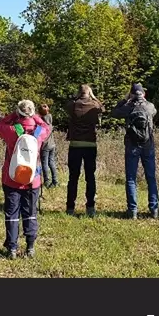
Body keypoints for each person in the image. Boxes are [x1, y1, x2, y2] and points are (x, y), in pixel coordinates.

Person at [0, 100, 50, 259]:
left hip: (12, 179)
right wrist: (36, 117)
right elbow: (47, 126)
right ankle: (30, 247)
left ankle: (12, 248)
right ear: (32, 112)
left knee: (12, 213)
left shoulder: (12, 130)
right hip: (33, 179)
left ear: (18, 112)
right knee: (30, 212)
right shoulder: (39, 131)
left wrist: (14, 115)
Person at [111, 83, 159, 219]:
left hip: (132, 145)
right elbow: (154, 112)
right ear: (143, 93)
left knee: (131, 178)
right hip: (148, 144)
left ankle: (132, 211)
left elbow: (114, 113)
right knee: (151, 177)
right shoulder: (150, 106)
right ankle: (154, 209)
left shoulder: (127, 107)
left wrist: (125, 99)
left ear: (132, 94)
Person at [64, 84, 104, 217]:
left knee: (73, 177)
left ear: (79, 93)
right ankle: (90, 206)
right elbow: (102, 108)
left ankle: (70, 207)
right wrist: (93, 97)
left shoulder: (73, 105)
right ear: (89, 93)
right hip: (90, 144)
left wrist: (75, 97)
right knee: (90, 177)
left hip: (75, 144)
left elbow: (66, 105)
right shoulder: (94, 105)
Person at [39, 104, 58, 188]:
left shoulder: (41, 123)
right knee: (52, 162)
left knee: (45, 164)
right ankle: (55, 181)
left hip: (45, 145)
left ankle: (47, 181)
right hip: (52, 144)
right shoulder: (50, 119)